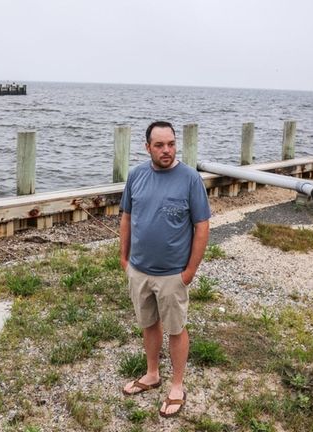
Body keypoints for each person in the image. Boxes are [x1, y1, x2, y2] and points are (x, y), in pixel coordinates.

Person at [119, 121, 211, 418]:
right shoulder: (136, 175)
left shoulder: (189, 179)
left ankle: (177, 385)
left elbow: (202, 225)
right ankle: (152, 374)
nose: (167, 150)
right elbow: (126, 216)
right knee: (148, 323)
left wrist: (190, 271)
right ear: (148, 148)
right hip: (140, 269)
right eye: (159, 145)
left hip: (173, 273)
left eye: (171, 144)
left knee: (175, 328)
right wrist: (125, 258)